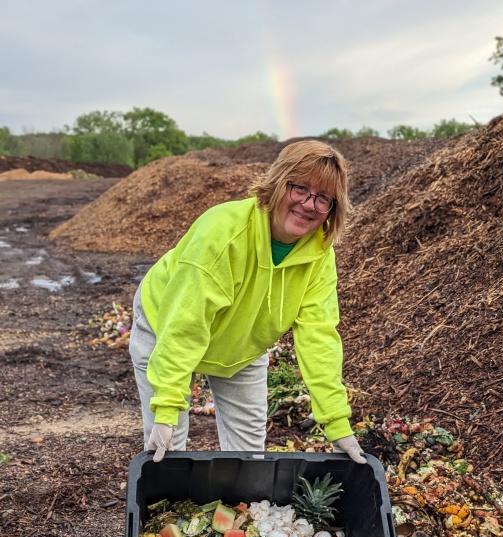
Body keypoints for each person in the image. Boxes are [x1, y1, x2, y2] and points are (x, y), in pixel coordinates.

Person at [129, 139, 366, 465]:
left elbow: (319, 337)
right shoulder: (223, 233)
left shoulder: (319, 255)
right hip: (166, 326)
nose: (309, 204)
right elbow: (185, 323)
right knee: (169, 451)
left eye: (324, 198)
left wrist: (336, 422)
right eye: (299, 189)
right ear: (278, 183)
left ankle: (238, 511)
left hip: (240, 347)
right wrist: (168, 406)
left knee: (250, 457)